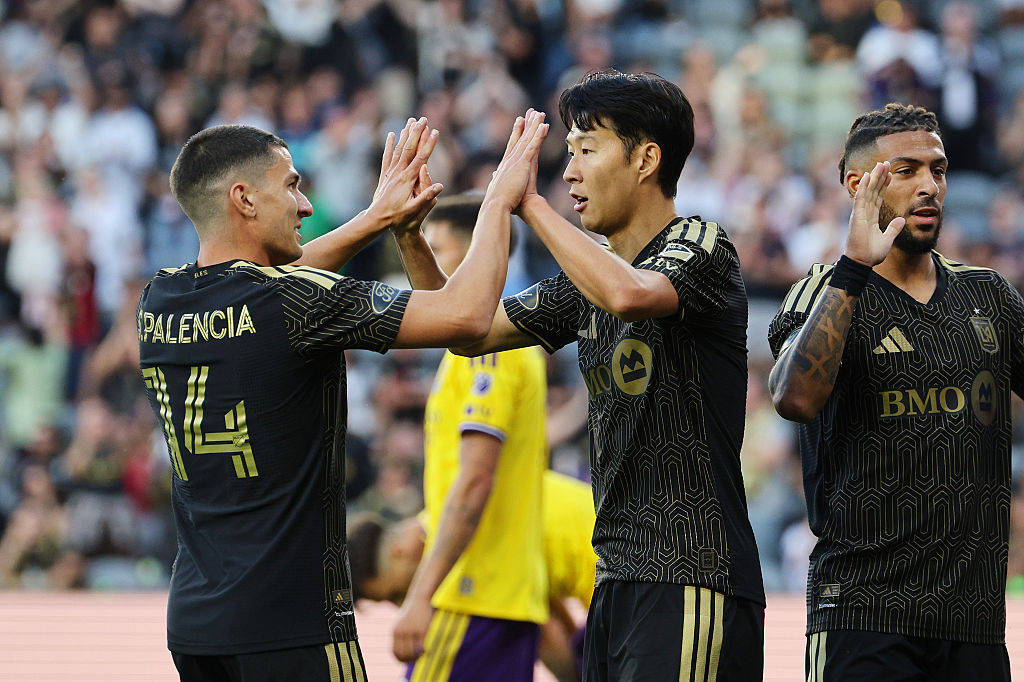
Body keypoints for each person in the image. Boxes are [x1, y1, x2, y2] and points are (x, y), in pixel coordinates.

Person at [137, 112, 549, 682]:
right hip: (294, 623)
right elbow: (469, 316)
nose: (305, 205)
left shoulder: (161, 299)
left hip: (197, 624)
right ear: (245, 199)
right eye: (291, 185)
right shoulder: (292, 305)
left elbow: (274, 285)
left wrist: (378, 217)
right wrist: (499, 203)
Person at [392, 69, 765, 681]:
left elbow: (631, 294)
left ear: (646, 159)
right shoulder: (586, 280)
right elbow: (465, 333)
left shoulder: (701, 242)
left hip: (692, 575)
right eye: (566, 154)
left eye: (585, 151)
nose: (569, 173)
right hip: (614, 578)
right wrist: (411, 236)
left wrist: (528, 204)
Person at [767, 103, 1024, 681]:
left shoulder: (989, 296)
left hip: (975, 622)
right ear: (859, 185)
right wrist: (855, 267)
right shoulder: (820, 293)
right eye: (906, 170)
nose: (930, 186)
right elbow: (794, 399)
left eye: (938, 169)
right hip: (861, 614)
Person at [381, 194, 549, 681]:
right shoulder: (480, 344)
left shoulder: (492, 350)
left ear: (478, 249)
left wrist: (420, 595)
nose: (425, 257)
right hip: (503, 596)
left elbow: (475, 481)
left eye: (437, 245)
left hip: (470, 597)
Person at [348, 469, 598, 682]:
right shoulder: (449, 508)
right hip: (619, 549)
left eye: (397, 595)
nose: (404, 605)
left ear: (400, 552)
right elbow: (549, 612)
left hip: (618, 576)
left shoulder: (463, 556)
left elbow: (546, 635)